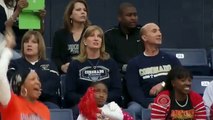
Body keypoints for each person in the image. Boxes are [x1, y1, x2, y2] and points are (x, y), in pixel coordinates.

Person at [125, 23, 181, 119]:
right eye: (154, 31)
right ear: (144, 37)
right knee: (133, 110)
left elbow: (181, 79)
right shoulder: (134, 63)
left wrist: (163, 84)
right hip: (143, 101)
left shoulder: (171, 59)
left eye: (159, 31)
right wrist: (147, 104)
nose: (159, 34)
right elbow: (134, 89)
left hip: (169, 99)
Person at [65, 25, 122, 119]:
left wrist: (101, 99)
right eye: (92, 36)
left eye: (99, 36)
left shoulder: (111, 63)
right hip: (83, 105)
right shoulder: (75, 64)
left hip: (107, 105)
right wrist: (89, 100)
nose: (96, 39)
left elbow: (117, 90)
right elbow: (70, 93)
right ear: (84, 41)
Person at [0, 26, 50, 120]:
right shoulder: (11, 101)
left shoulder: (44, 110)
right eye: (32, 79)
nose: (38, 82)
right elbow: (0, 76)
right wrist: (7, 49)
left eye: (38, 79)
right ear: (22, 86)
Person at [7, 30, 61, 108]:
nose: (29, 45)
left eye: (33, 42)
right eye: (26, 42)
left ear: (40, 46)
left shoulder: (50, 65)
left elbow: (52, 87)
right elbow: (14, 82)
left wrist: (31, 91)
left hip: (45, 103)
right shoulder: (14, 64)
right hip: (21, 102)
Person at [51, 0, 90, 74]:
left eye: (85, 10)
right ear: (70, 15)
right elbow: (55, 58)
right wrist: (62, 67)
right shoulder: (60, 34)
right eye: (78, 10)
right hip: (66, 73)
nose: (83, 12)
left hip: (87, 72)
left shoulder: (91, 33)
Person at [104, 2, 144, 73]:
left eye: (135, 15)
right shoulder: (109, 35)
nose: (133, 18)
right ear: (120, 18)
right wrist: (123, 68)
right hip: (118, 74)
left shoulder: (143, 32)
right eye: (129, 15)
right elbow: (108, 61)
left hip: (142, 73)